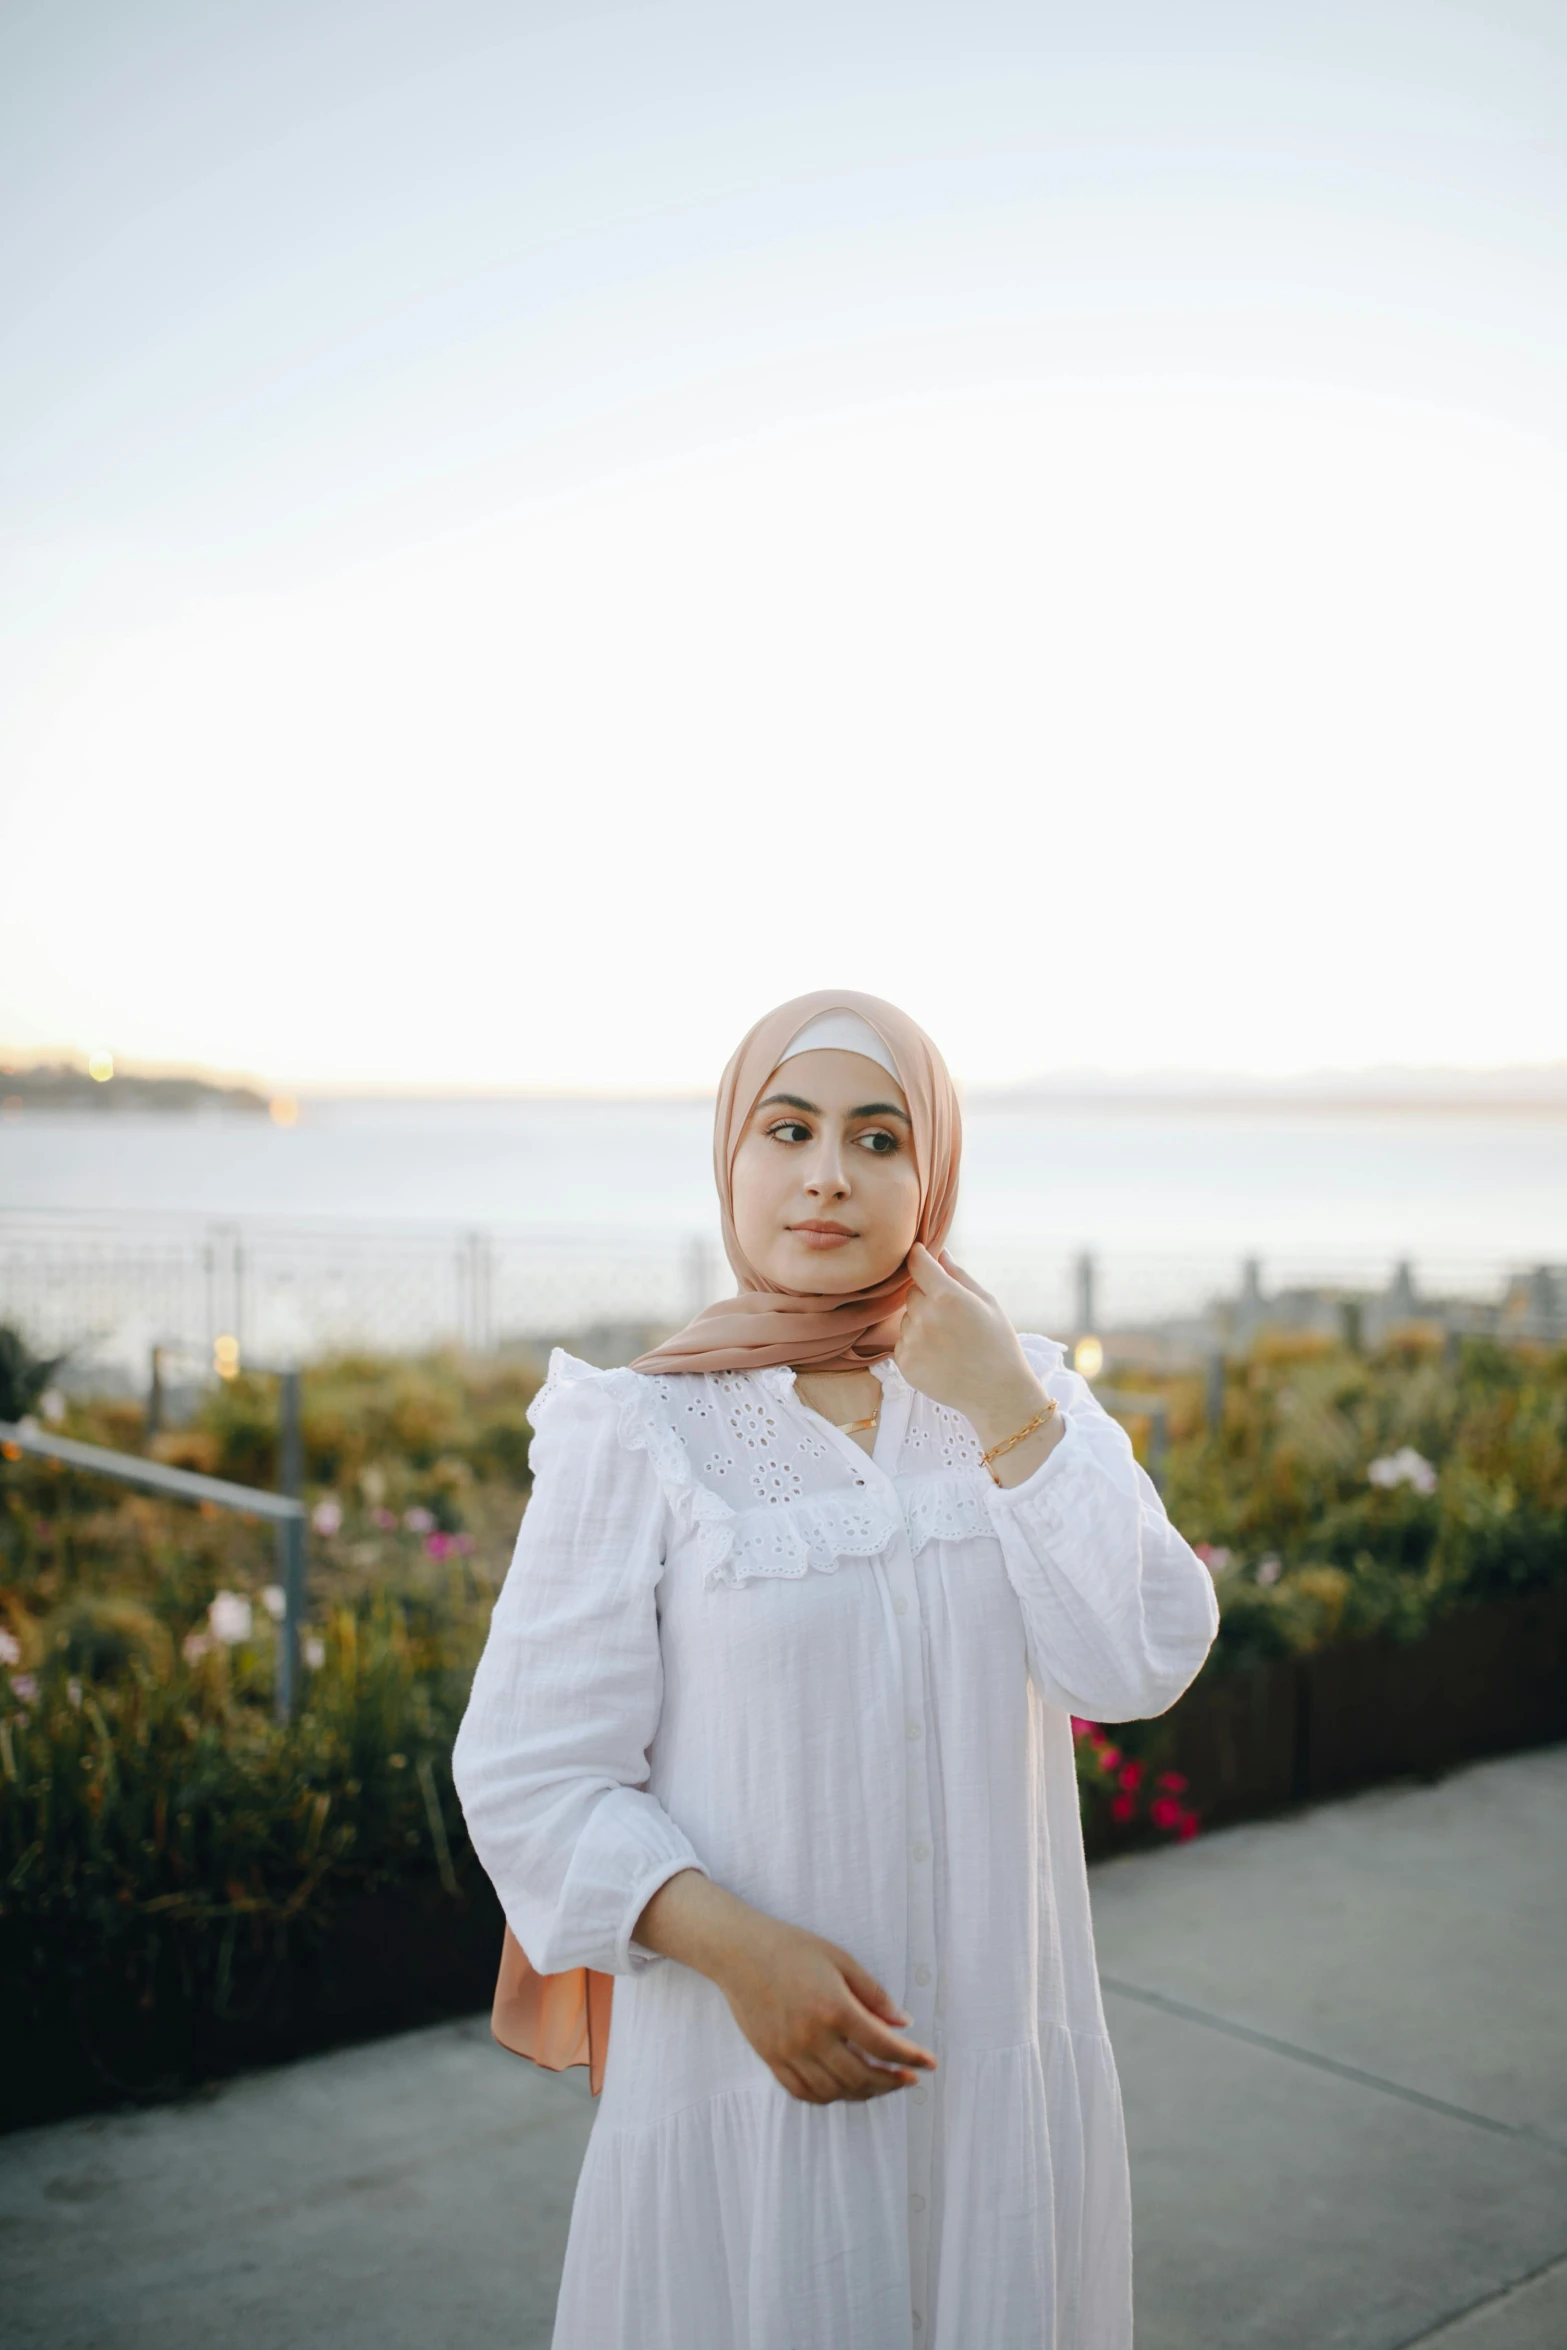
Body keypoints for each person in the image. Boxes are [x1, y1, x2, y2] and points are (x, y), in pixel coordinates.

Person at [451, 988, 1219, 2350]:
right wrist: (740, 1952)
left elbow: (1142, 1652)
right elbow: (529, 1772)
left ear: (932, 1173)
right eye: (786, 1127)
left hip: (997, 2083)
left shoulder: (1023, 1384)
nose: (825, 1172)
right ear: (729, 1159)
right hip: (749, 2092)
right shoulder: (636, 1429)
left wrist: (1005, 1409)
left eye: (878, 1138)